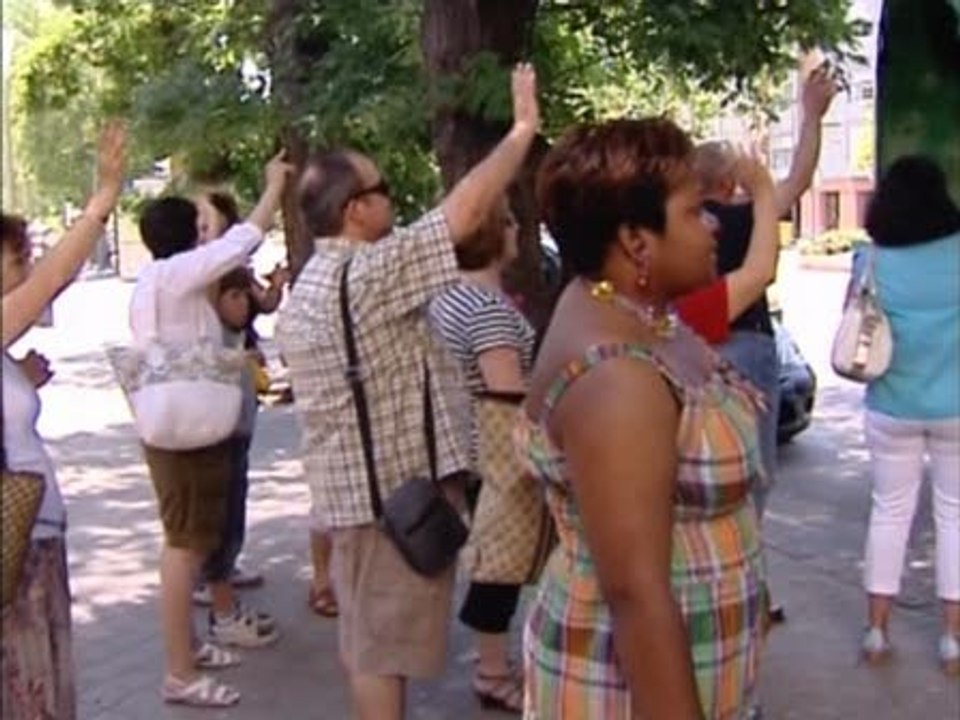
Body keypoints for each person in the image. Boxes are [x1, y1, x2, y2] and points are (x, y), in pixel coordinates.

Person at [277, 64, 539, 720]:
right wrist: (522, 131)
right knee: (377, 654)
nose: (393, 202)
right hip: (393, 505)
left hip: (357, 500)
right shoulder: (366, 275)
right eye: (383, 189)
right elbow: (467, 211)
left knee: (369, 644)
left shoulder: (310, 286)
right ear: (354, 209)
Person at [518, 117, 768, 719]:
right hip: (623, 691)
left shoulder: (640, 312)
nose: (711, 223)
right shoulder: (616, 378)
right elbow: (635, 593)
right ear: (636, 241)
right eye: (691, 211)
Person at [131, 152, 292, 708]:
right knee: (184, 549)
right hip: (190, 430)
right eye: (200, 226)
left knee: (190, 543)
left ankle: (190, 649)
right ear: (187, 234)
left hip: (167, 423)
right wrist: (272, 186)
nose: (208, 232)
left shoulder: (151, 281)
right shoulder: (178, 274)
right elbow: (245, 237)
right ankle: (179, 671)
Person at [2, 121, 127, 720]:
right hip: (15, 542)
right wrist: (103, 198)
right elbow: (58, 273)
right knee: (29, 687)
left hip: (33, 537)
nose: (27, 263)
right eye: (16, 254)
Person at [691, 66, 838, 517]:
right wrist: (811, 117)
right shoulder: (743, 216)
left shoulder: (684, 222)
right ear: (728, 183)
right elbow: (797, 180)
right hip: (746, 342)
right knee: (752, 467)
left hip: (698, 340)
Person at [854, 156, 960, 675]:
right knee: (956, 516)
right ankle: (951, 641)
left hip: (891, 405)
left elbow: (856, 324)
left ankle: (876, 631)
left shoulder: (870, 259)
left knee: (889, 512)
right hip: (957, 408)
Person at [428, 201, 534, 713]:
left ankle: (492, 660)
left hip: (466, 448)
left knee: (493, 555)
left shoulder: (448, 297)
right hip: (499, 454)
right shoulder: (487, 309)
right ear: (494, 233)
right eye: (511, 221)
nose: (518, 229)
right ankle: (493, 670)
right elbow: (507, 393)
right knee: (502, 561)